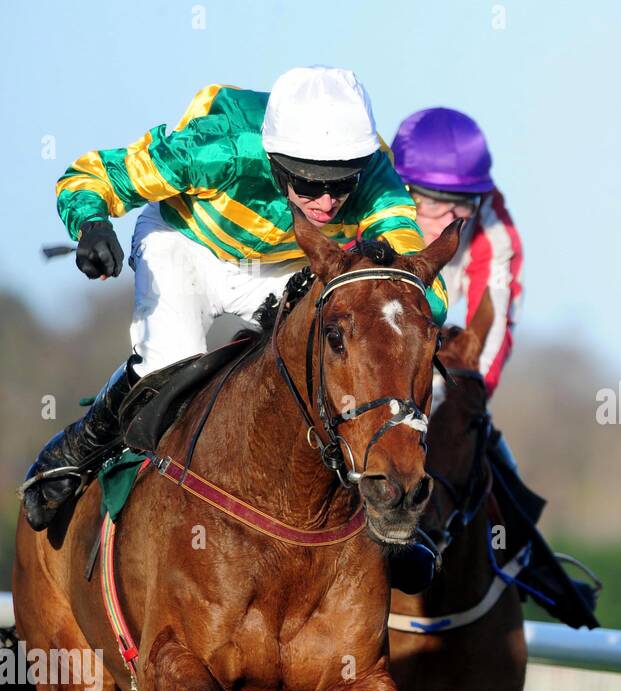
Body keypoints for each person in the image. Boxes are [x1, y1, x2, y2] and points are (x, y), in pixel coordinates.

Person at [21, 66, 437, 531]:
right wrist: (91, 223)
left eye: (341, 184)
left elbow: (412, 273)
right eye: (308, 183)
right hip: (187, 246)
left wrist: (416, 318)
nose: (325, 201)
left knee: (336, 354)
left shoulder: (376, 174)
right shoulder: (220, 151)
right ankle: (78, 448)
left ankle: (369, 510)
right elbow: (90, 174)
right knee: (171, 360)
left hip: (281, 268)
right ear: (276, 161)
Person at [390, 108, 597, 628]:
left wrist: (452, 399)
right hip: (370, 360)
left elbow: (491, 337)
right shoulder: (372, 207)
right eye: (429, 201)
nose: (443, 220)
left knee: (475, 438)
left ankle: (533, 564)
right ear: (401, 187)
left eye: (458, 204)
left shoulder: (493, 229)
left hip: (438, 358)